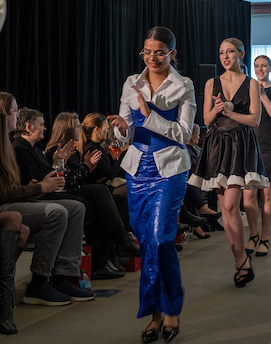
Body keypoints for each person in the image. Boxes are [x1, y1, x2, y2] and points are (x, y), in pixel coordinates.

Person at [108, 26, 196, 343]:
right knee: (145, 241)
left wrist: (149, 114)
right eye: (147, 52)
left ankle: (171, 311)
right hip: (138, 169)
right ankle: (155, 314)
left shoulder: (183, 85)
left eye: (159, 52)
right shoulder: (131, 83)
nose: (152, 58)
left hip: (170, 167)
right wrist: (121, 128)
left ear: (172, 53)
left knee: (161, 239)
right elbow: (126, 134)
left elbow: (184, 134)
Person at [0, 92, 93, 308]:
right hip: (6, 206)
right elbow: (5, 192)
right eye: (15, 111)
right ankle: (39, 282)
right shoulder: (16, 147)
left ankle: (63, 276)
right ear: (4, 115)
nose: (18, 115)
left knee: (76, 207)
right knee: (58, 211)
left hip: (18, 199)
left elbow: (16, 185)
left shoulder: (9, 144)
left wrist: (36, 186)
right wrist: (38, 187)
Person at [188, 38, 268, 287]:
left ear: (241, 54)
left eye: (230, 51)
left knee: (232, 204)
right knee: (226, 210)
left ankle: (242, 261)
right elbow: (206, 119)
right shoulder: (211, 82)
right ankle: (241, 262)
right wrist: (217, 109)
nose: (225, 56)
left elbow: (255, 120)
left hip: (240, 144)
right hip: (216, 145)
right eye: (222, 52)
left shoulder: (251, 83)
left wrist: (231, 112)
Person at [42, 111, 137, 277]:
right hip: (64, 193)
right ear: (68, 129)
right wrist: (86, 167)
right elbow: (67, 180)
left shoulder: (74, 149)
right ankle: (117, 244)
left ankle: (114, 252)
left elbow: (79, 175)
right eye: (77, 126)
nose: (81, 129)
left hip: (78, 189)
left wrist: (86, 167)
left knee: (117, 201)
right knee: (100, 194)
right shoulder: (56, 150)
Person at [243, 55, 271, 257]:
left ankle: (265, 238)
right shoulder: (246, 87)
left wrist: (262, 95)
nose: (260, 69)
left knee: (266, 195)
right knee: (248, 196)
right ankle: (253, 235)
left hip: (269, 146)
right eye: (257, 66)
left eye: (264, 66)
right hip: (249, 145)